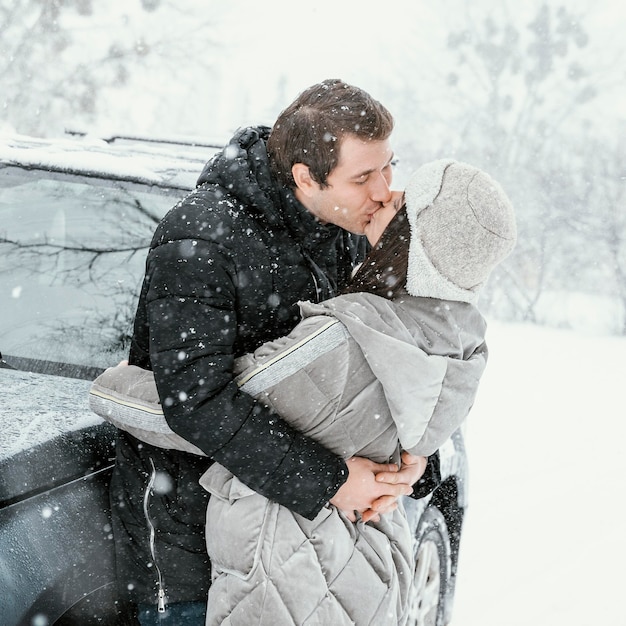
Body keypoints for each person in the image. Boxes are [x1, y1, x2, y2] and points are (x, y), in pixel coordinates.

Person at [91, 158, 517, 625]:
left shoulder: (349, 337)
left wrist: (113, 382)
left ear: (416, 243)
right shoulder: (461, 346)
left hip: (285, 578)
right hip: (365, 572)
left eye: (398, 203)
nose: (381, 195)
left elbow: (200, 410)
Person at [107, 79, 427, 626]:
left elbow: (378, 359)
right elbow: (196, 401)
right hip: (193, 529)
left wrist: (399, 451)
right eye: (363, 177)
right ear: (305, 176)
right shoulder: (202, 238)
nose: (385, 190)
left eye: (387, 167)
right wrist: (332, 481)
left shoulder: (346, 229)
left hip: (299, 528)